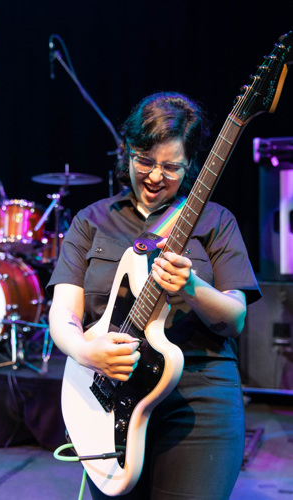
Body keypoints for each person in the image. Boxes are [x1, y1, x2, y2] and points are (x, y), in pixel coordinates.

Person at [47, 91, 261, 499]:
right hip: (110, 399)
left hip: (199, 401)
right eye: (144, 161)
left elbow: (234, 318)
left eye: (171, 166)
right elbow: (64, 315)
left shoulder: (216, 221)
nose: (155, 176)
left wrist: (192, 288)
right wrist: (85, 352)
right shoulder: (90, 221)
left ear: (191, 165)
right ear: (126, 151)